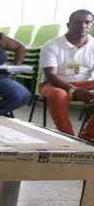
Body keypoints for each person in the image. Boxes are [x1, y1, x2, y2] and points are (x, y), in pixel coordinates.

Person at [40, 9, 94, 141]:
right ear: (68, 25)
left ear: (92, 25)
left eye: (87, 22)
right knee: (59, 95)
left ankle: (87, 139)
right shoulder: (51, 45)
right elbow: (50, 75)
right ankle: (69, 138)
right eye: (77, 22)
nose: (82, 26)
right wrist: (74, 90)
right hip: (54, 83)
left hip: (86, 84)